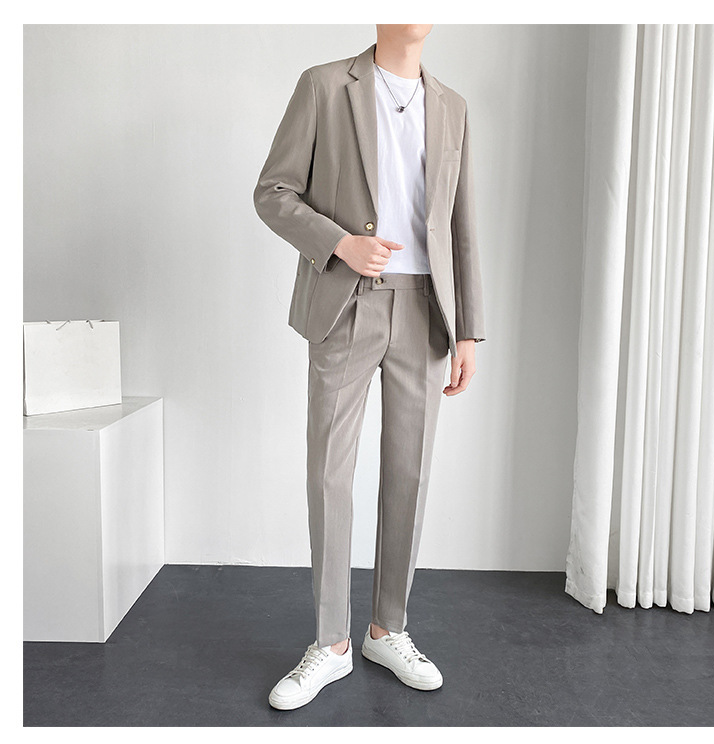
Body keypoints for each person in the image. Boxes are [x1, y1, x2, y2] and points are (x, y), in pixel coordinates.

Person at [253, 24, 486, 710]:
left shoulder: (452, 106)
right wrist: (340, 244)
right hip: (346, 301)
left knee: (410, 470)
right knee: (330, 470)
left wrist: (470, 329)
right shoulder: (325, 85)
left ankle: (389, 629)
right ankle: (330, 643)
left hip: (426, 309)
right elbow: (273, 191)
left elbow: (462, 224)